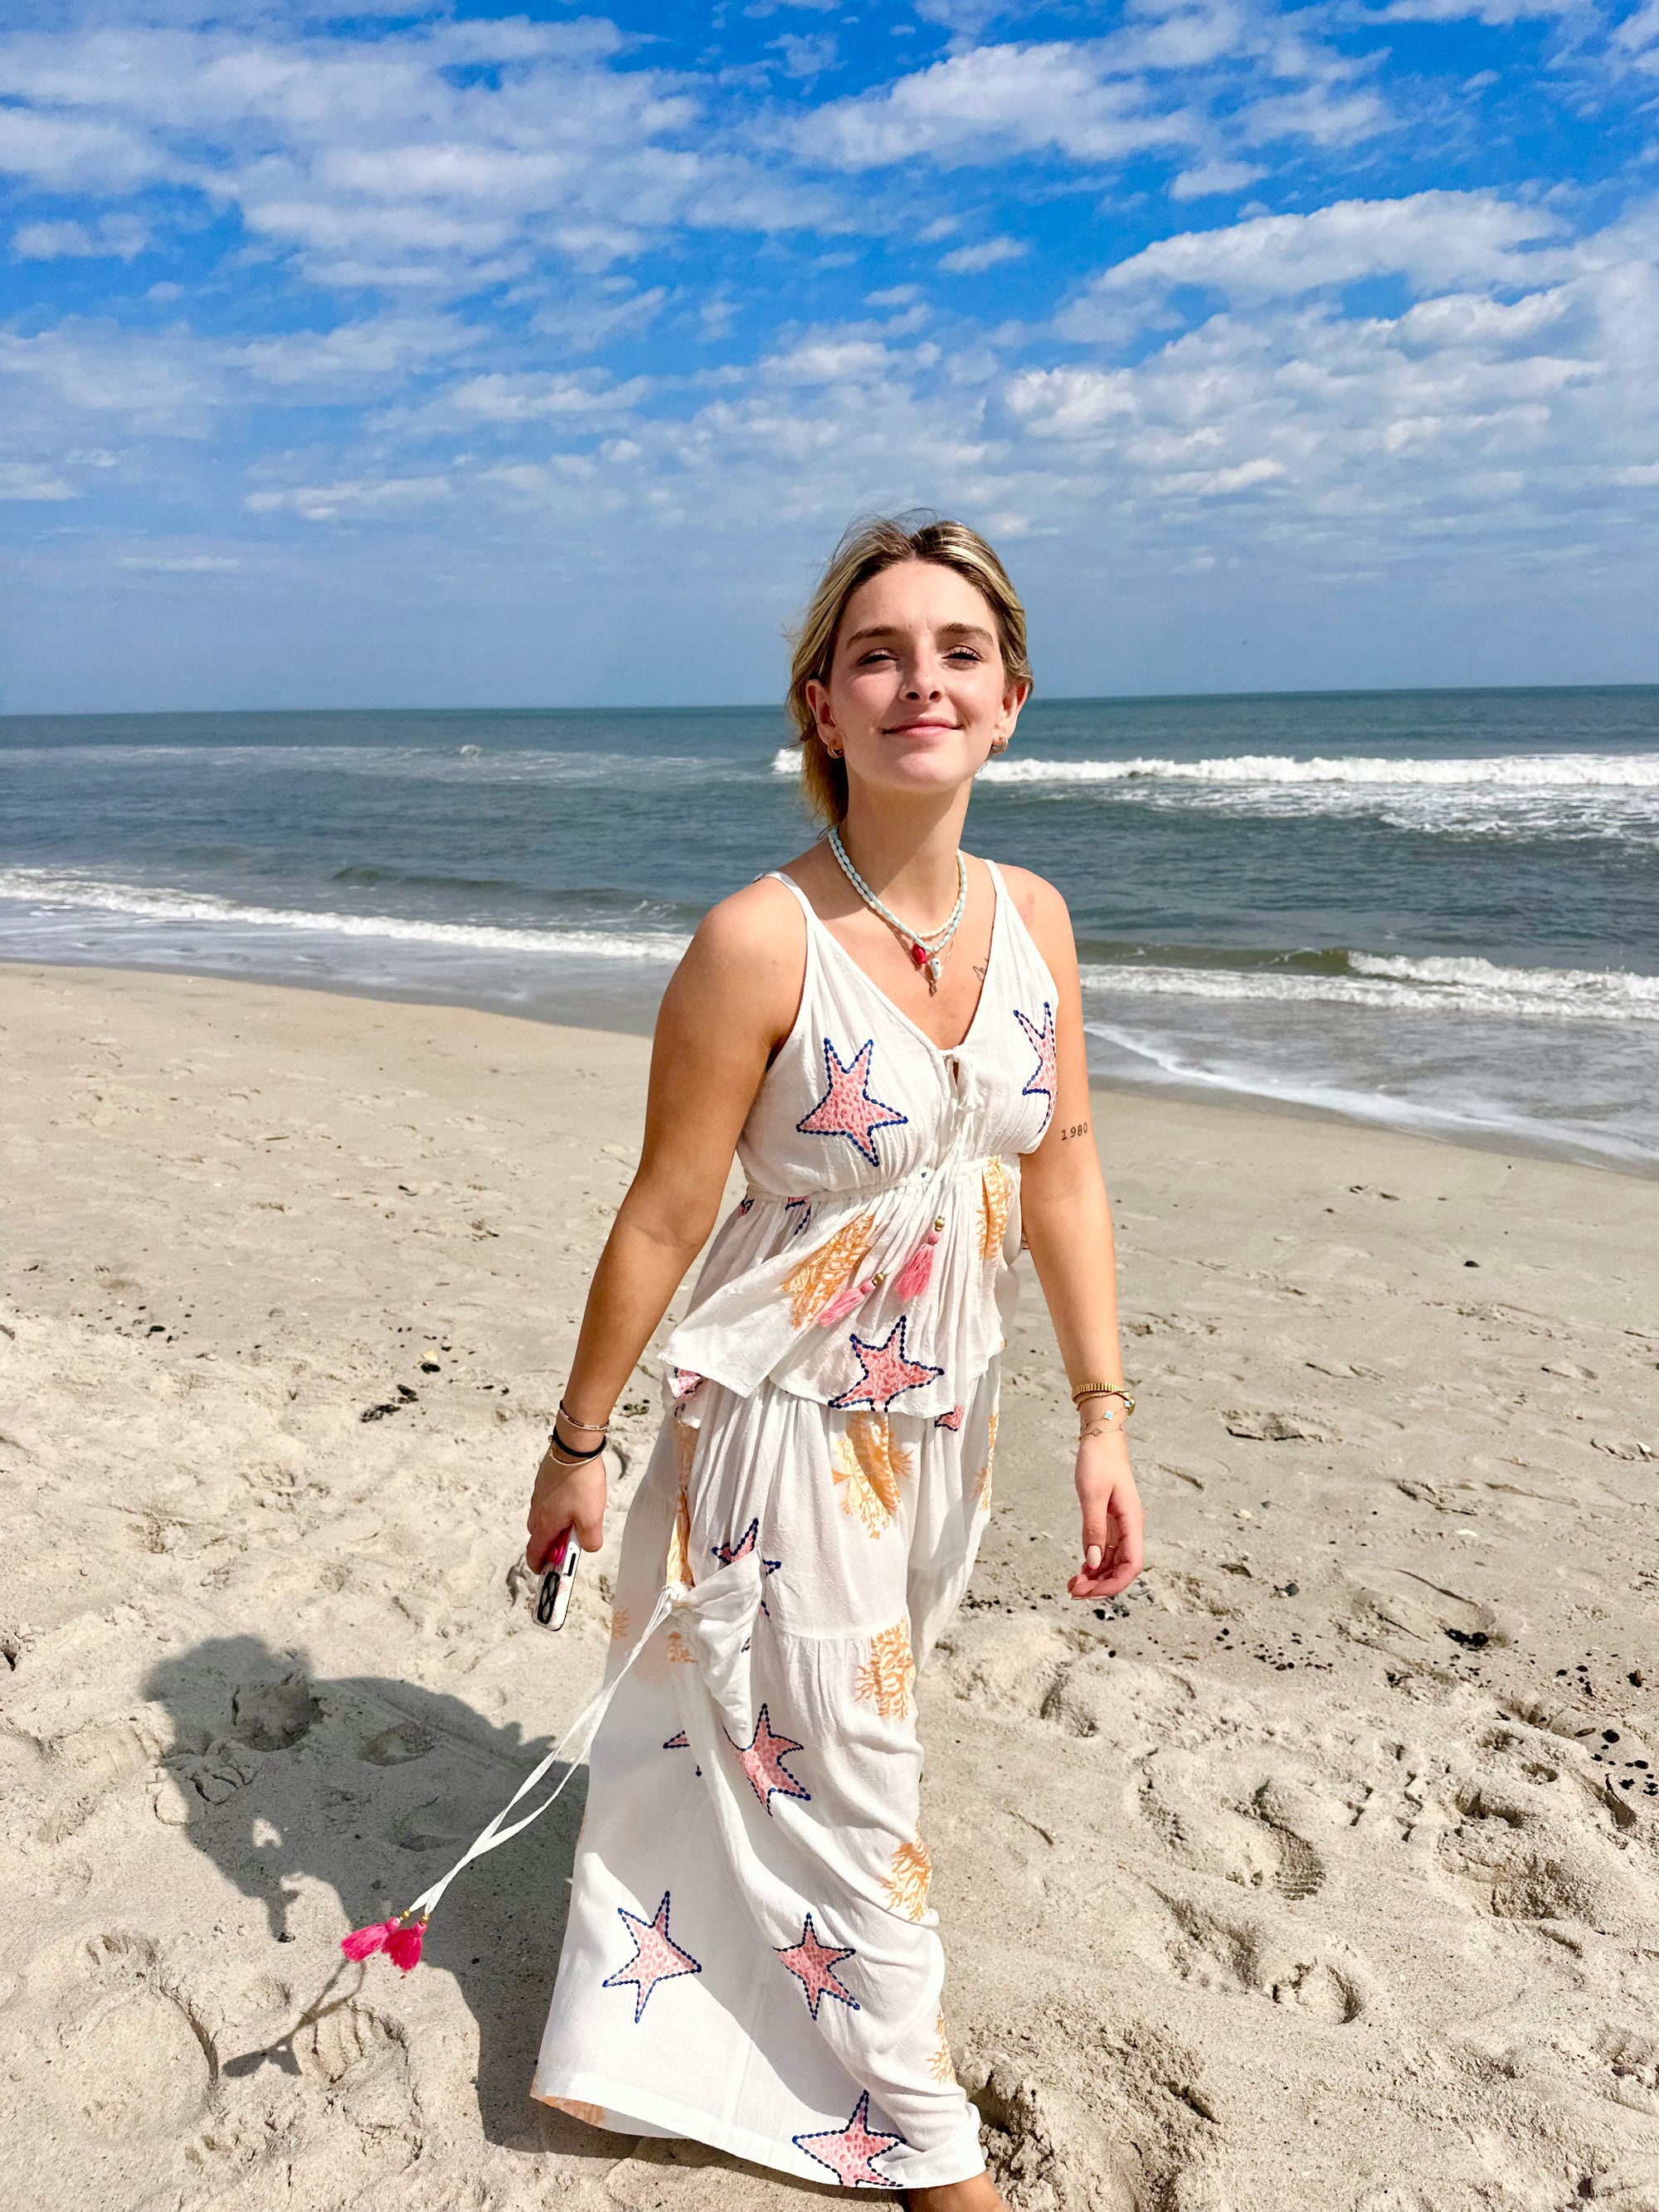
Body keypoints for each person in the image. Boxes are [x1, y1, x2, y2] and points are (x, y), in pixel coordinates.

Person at [525, 514, 1143, 2208]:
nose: (919, 681)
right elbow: (663, 1211)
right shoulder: (758, 940)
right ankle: (936, 2160)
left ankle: (676, 2036)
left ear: (1009, 701)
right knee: (854, 1768)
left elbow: (1064, 1168)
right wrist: (578, 1443)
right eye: (878, 653)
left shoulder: (1036, 918)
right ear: (822, 704)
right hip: (781, 1414)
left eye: (958, 652)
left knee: (799, 1733)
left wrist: (1103, 1415)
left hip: (948, 1413)